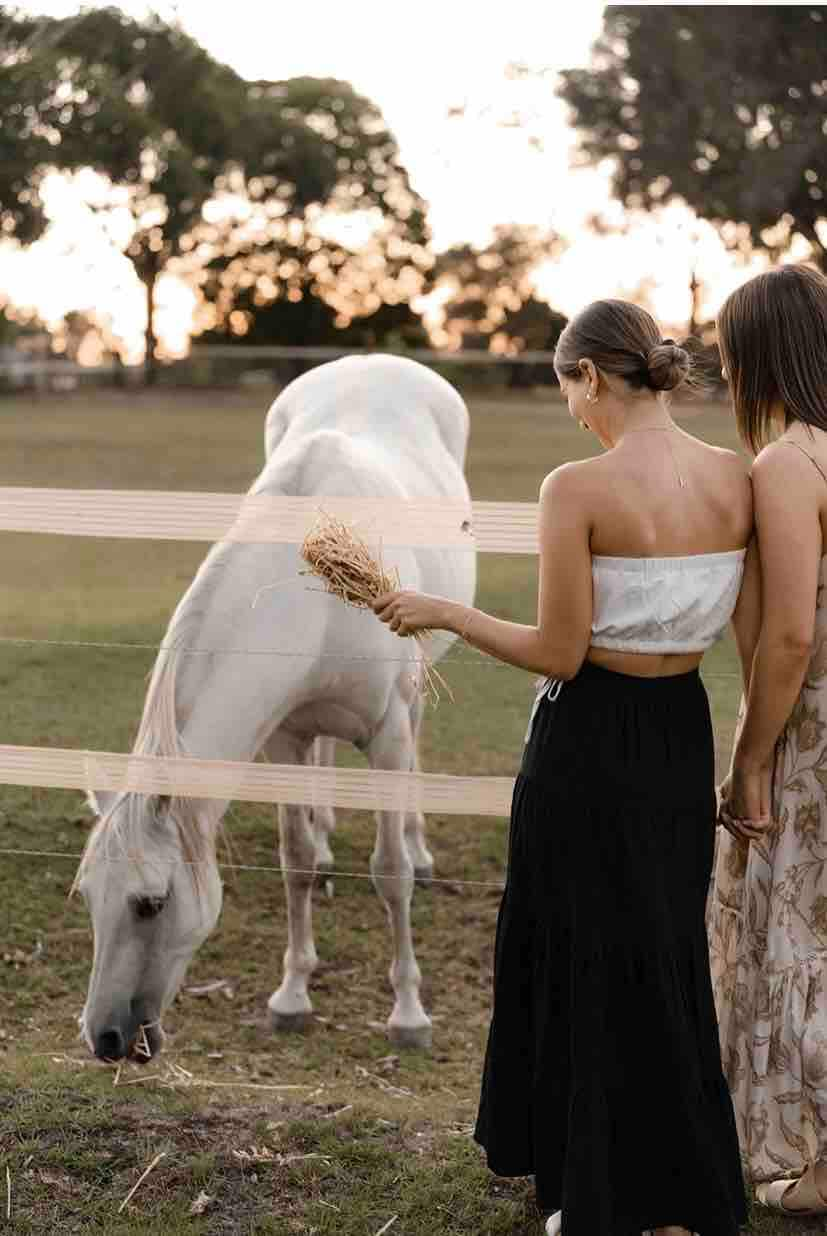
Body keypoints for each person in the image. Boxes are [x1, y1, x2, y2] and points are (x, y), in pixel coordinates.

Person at [373, 299, 750, 1236]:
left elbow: (557, 651)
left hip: (587, 741)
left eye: (567, 393)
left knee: (584, 955)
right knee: (663, 952)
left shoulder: (574, 487)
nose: (572, 416)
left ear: (587, 376)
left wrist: (444, 613)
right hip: (678, 731)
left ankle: (595, 1196)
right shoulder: (737, 477)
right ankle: (676, 1192)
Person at [713, 263, 827, 1217]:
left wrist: (751, 756)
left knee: (806, 934)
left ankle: (823, 1166)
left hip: (817, 729)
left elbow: (790, 634)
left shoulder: (789, 464)